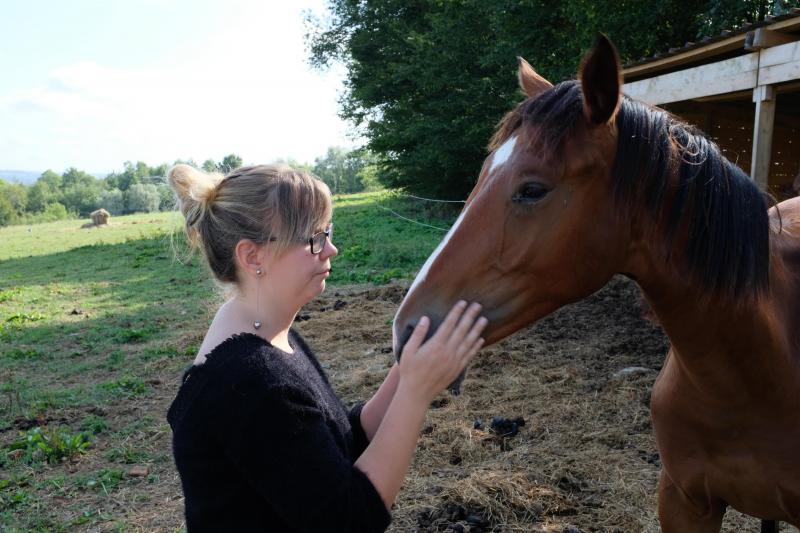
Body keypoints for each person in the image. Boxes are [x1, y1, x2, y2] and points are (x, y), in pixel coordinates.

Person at [165, 163, 487, 532]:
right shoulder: (250, 382)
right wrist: (416, 392)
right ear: (252, 256)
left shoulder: (264, 337)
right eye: (313, 238)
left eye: (327, 232)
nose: (331, 249)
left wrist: (407, 366)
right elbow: (350, 518)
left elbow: (337, 444)